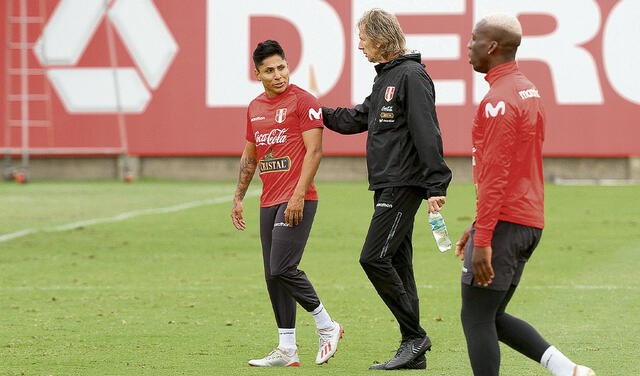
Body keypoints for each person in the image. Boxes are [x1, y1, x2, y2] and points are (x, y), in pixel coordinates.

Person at [456, 14, 596, 376]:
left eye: (473, 40)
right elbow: (514, 167)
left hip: (504, 223)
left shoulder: (498, 101)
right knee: (491, 315)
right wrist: (478, 226)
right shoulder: (527, 89)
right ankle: (569, 371)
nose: (467, 46)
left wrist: (484, 235)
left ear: (491, 47)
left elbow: (496, 174)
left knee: (475, 317)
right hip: (526, 222)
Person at [322, 9, 452, 370]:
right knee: (398, 262)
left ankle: (415, 336)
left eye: (362, 37)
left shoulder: (411, 75)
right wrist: (316, 113)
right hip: (387, 183)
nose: (359, 45)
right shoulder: (386, 79)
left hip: (402, 183)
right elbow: (358, 118)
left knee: (373, 257)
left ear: (380, 39)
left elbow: (427, 131)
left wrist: (436, 183)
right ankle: (414, 353)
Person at [230, 40, 343, 367]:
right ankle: (287, 349)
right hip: (269, 199)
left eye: (282, 67)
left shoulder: (304, 101)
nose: (278, 75)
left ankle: (327, 325)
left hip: (298, 198)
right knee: (272, 274)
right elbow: (250, 155)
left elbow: (315, 151)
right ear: (258, 74)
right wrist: (238, 196)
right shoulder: (254, 107)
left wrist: (297, 194)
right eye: (270, 70)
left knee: (282, 267)